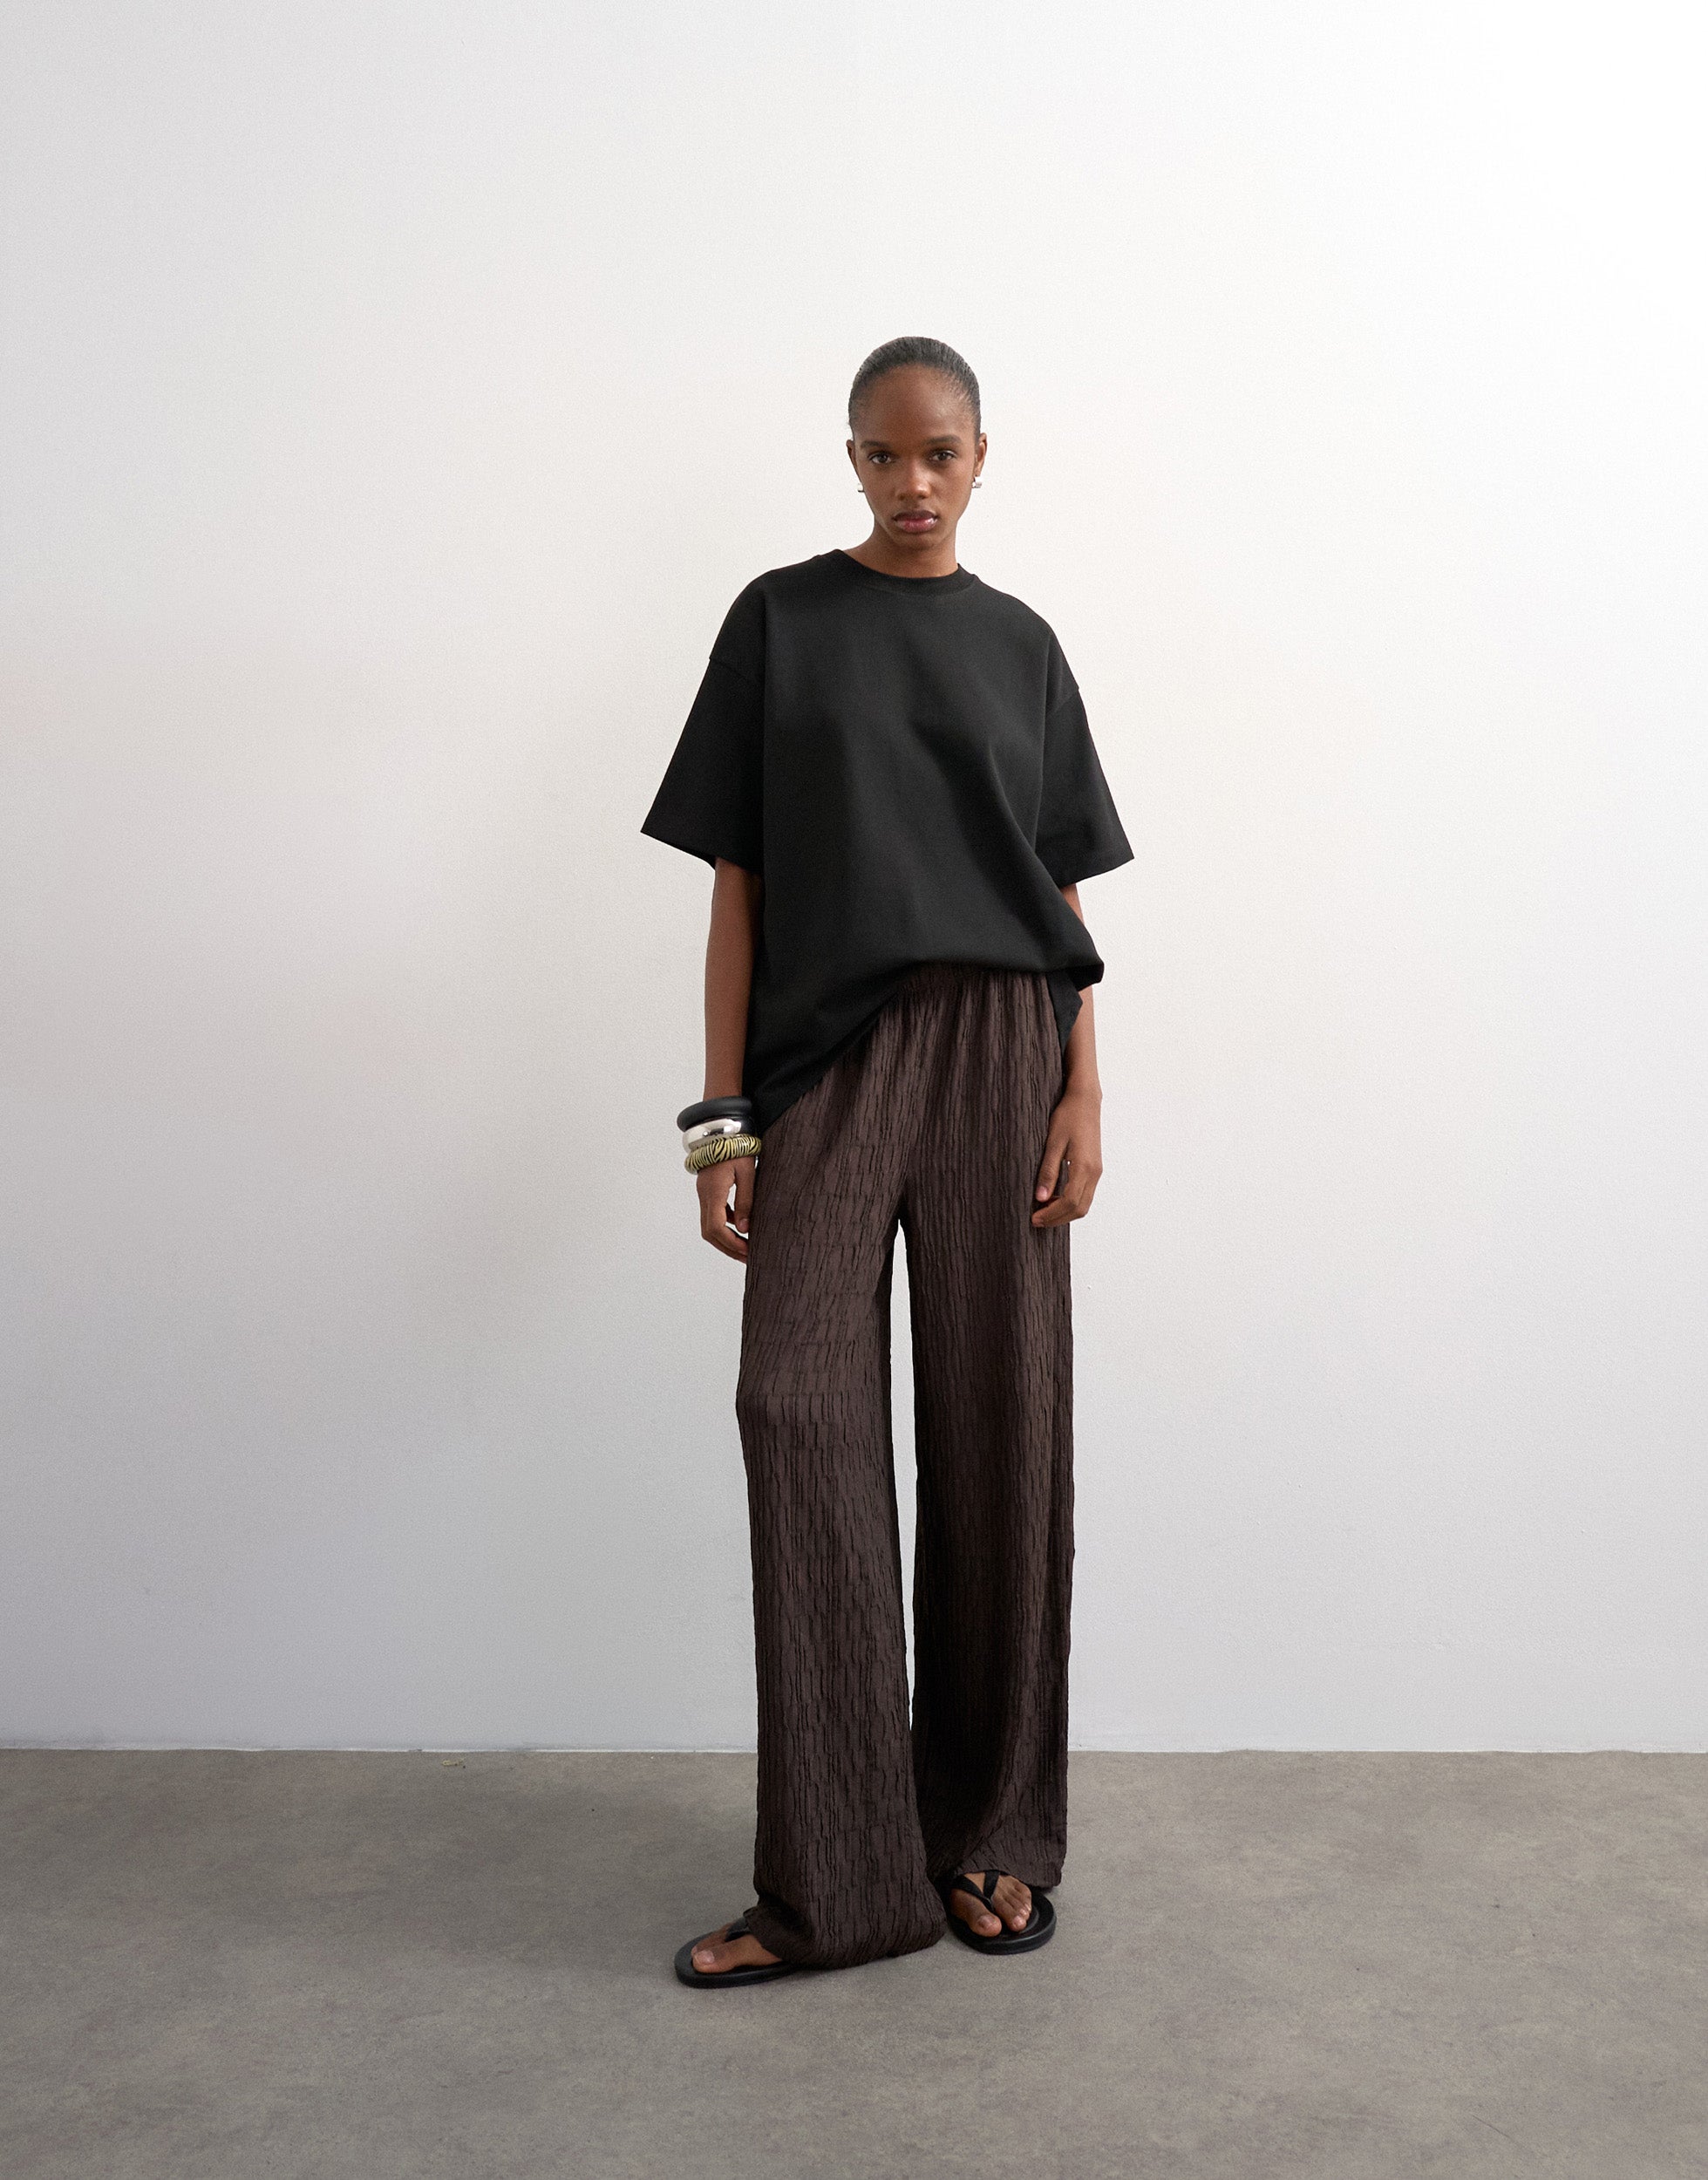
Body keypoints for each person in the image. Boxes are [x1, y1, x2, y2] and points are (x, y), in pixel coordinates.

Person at [641, 336, 1133, 1986]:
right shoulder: (780, 623)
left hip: (1005, 1044)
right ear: (849, 458)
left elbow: (1060, 891)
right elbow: (738, 888)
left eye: (940, 453)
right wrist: (722, 1116)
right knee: (793, 1406)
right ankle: (840, 1884)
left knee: (1003, 1428)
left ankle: (987, 1835)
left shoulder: (1022, 645)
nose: (912, 482)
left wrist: (1084, 1087)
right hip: (830, 1061)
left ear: (983, 457)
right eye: (882, 453)